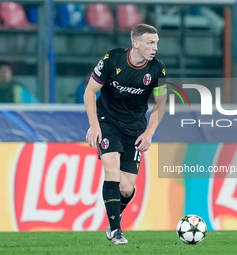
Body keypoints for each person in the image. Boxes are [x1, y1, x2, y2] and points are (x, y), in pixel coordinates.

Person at [84, 24, 167, 245]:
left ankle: (114, 217)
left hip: (135, 128)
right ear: (136, 43)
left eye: (157, 43)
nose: (155, 47)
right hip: (108, 122)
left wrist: (149, 133)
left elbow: (161, 105)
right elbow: (90, 91)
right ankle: (116, 231)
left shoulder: (158, 69)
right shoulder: (113, 59)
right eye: (151, 42)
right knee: (111, 169)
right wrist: (94, 126)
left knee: (127, 188)